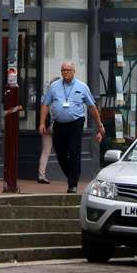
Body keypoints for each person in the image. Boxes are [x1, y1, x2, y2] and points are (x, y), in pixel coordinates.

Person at [40, 61, 102, 193]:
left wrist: (99, 125)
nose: (65, 72)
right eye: (63, 70)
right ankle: (72, 176)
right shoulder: (54, 87)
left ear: (74, 71)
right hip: (59, 124)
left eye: (68, 70)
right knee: (60, 153)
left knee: (74, 152)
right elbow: (45, 104)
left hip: (76, 123)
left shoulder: (82, 86)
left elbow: (92, 107)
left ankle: (73, 184)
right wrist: (41, 123)